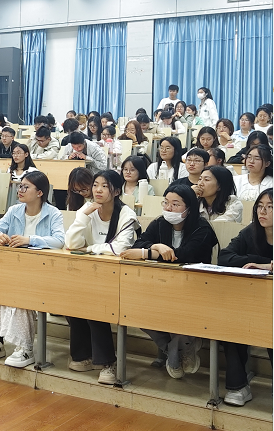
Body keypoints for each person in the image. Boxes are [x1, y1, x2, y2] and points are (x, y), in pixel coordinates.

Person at [120, 183, 218, 379]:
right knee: (133, 309)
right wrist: (157, 245)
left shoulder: (202, 228)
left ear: (189, 208)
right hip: (160, 286)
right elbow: (139, 243)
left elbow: (183, 254)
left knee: (181, 313)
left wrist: (147, 253)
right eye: (166, 203)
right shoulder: (159, 223)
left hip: (194, 289)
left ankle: (175, 352)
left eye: (175, 204)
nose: (168, 208)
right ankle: (180, 349)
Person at [0, 172, 65, 367]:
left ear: (40, 192)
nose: (21, 190)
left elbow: (59, 241)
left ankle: (25, 348)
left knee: (21, 295)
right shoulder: (14, 210)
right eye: (20, 186)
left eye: (26, 187)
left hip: (40, 273)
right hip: (13, 270)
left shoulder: (53, 213)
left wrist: (30, 240)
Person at [64, 170, 138, 385]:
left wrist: (90, 249)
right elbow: (71, 244)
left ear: (116, 191)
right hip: (90, 274)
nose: (98, 190)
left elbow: (120, 248)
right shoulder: (87, 210)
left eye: (104, 186)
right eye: (95, 184)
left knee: (95, 305)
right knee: (71, 300)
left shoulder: (126, 215)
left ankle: (107, 363)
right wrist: (82, 217)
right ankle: (83, 356)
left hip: (120, 275)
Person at [217, 188, 273, 407]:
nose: (263, 212)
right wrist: (260, 261)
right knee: (231, 324)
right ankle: (238, 386)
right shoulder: (251, 232)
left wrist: (266, 265)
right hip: (251, 299)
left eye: (270, 207)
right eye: (260, 206)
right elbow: (224, 257)